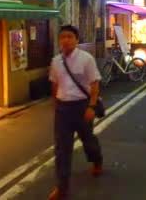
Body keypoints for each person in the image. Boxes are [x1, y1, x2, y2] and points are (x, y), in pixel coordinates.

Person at [48, 25, 103, 200]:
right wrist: (55, 104)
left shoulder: (86, 59)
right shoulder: (56, 61)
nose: (66, 40)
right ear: (59, 40)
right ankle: (62, 187)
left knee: (88, 139)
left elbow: (94, 85)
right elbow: (55, 84)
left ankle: (96, 160)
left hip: (82, 106)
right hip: (63, 109)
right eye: (62, 37)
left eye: (70, 36)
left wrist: (91, 107)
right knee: (62, 149)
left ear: (77, 40)